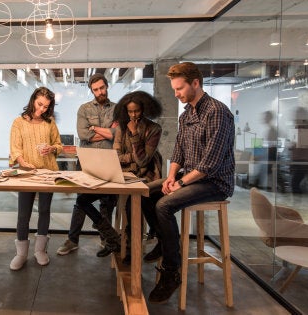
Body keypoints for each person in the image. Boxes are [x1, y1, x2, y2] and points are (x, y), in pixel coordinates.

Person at [142, 62, 234, 304]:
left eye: (180, 88)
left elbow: (210, 164)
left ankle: (172, 272)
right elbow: (179, 151)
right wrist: (172, 176)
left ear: (195, 83)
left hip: (215, 182)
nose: (176, 94)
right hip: (190, 177)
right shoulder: (186, 115)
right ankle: (164, 241)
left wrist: (180, 183)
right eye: (174, 89)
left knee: (163, 205)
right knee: (143, 192)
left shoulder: (217, 112)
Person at [57, 73, 118, 256]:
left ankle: (106, 238)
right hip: (87, 162)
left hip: (109, 161)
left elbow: (118, 134)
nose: (100, 92)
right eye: (96, 89)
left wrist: (97, 130)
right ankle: (72, 239)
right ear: (92, 90)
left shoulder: (117, 109)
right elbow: (84, 135)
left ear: (107, 86)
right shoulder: (84, 109)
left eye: (102, 88)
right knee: (81, 202)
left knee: (107, 203)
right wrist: (109, 132)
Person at [9, 87, 63, 271]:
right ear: (33, 100)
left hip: (48, 172)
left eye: (46, 107)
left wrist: (52, 149)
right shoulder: (18, 122)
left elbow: (59, 145)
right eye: (40, 104)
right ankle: (21, 253)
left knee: (44, 210)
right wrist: (23, 162)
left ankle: (40, 250)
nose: (42, 109)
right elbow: (15, 148)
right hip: (26, 174)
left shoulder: (50, 122)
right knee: (23, 214)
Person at [112, 91, 163, 264]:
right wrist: (132, 159)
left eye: (137, 111)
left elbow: (144, 161)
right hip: (127, 175)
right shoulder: (120, 128)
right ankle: (130, 248)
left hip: (149, 177)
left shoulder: (154, 129)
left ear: (145, 109)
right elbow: (116, 157)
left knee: (138, 202)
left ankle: (133, 251)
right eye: (130, 112)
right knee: (131, 205)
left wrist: (134, 136)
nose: (133, 115)